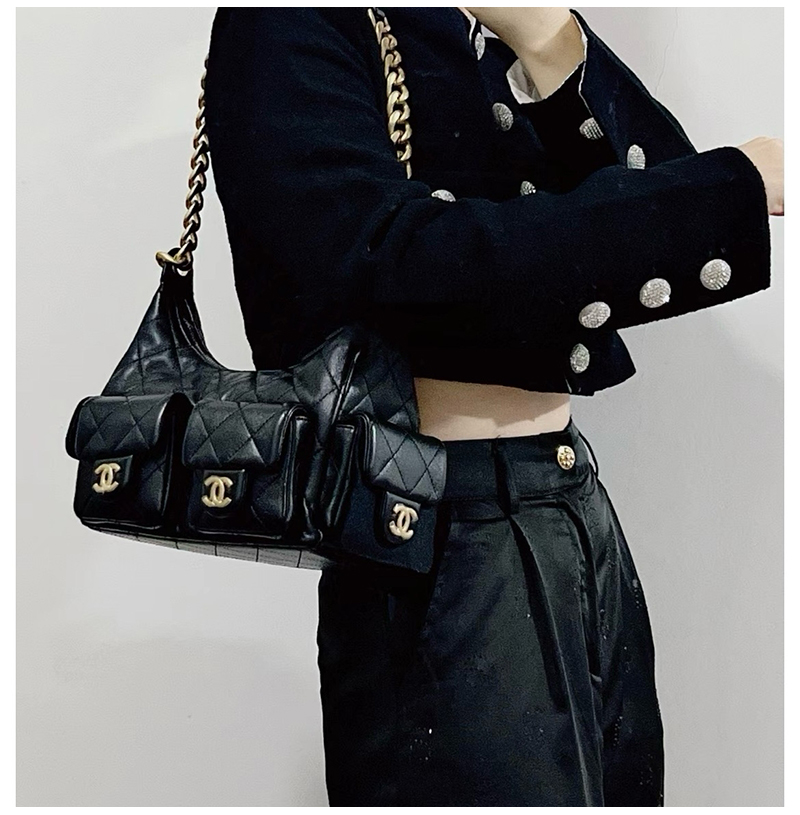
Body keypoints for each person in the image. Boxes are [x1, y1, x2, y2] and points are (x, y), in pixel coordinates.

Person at [203, 6, 782, 806]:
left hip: (569, 505)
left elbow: (665, 181)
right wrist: (722, 190)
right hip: (437, 527)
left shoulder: (476, 25)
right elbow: (389, 260)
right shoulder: (287, 21)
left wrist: (547, 36)